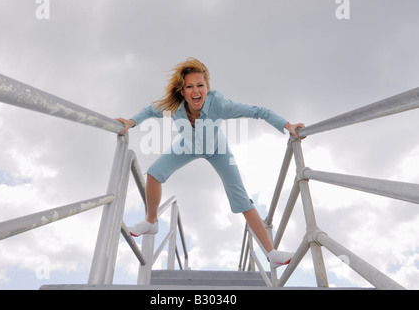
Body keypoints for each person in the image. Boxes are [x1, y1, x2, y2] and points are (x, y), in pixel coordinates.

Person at [116, 58, 304, 268]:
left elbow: (258, 111)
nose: (196, 91)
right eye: (189, 87)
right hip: (187, 146)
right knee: (153, 175)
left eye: (200, 85)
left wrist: (288, 125)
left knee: (241, 198)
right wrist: (131, 122)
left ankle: (272, 253)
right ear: (182, 91)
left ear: (207, 87)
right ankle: (151, 223)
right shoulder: (175, 106)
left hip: (217, 150)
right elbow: (150, 110)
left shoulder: (220, 106)